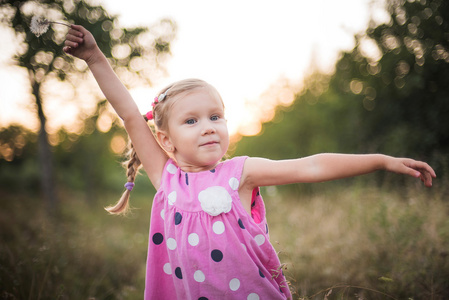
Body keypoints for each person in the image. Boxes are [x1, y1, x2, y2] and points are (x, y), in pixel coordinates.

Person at [63, 24, 436, 300]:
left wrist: (382, 161)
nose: (208, 128)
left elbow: (312, 166)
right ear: (165, 139)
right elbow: (129, 114)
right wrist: (95, 57)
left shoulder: (239, 173)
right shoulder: (167, 178)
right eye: (191, 121)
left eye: (215, 116)